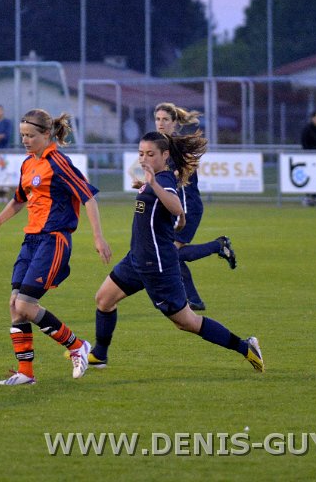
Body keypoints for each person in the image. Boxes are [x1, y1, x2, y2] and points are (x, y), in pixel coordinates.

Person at [87, 131, 264, 374]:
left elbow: (176, 205)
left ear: (165, 155)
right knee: (104, 299)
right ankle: (100, 354)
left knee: (187, 322)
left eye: (150, 154)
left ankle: (246, 347)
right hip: (137, 259)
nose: (144, 159)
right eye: (141, 153)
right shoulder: (155, 179)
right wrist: (160, 200)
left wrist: (153, 186)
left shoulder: (163, 180)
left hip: (158, 266)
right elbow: (175, 214)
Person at [0, 109, 112, 386]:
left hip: (54, 240)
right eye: (22, 136)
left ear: (46, 134)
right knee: (15, 306)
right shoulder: (28, 164)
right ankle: (26, 374)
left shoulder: (58, 162)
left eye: (30, 136)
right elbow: (19, 199)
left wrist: (98, 237)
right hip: (31, 241)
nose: (26, 141)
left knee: (25, 305)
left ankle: (77, 346)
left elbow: (88, 197)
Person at [153, 103, 236, 311]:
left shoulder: (177, 147)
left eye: (165, 120)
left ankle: (219, 246)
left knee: (172, 254)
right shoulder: (160, 146)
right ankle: (194, 300)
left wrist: (175, 174)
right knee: (171, 254)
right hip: (174, 208)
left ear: (174, 123)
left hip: (187, 206)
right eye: (158, 119)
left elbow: (182, 175)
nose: (160, 123)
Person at [300, 109, 316, 207]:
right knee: (309, 178)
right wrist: (311, 153)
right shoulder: (307, 129)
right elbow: (304, 143)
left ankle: (314, 198)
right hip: (309, 158)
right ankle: (307, 198)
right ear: (313, 118)